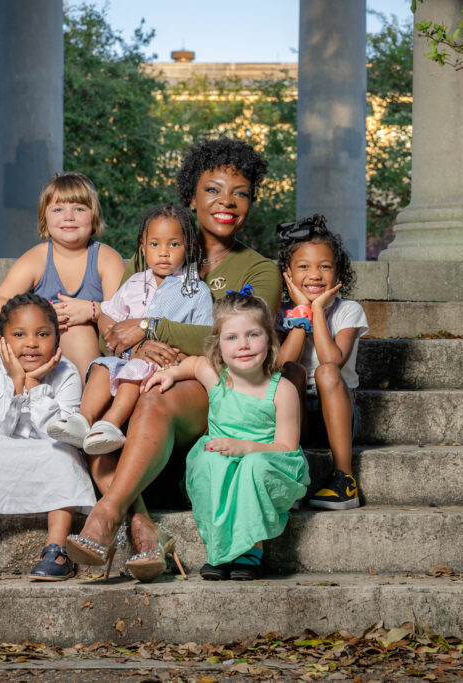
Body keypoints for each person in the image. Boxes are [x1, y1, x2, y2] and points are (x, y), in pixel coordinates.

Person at [66, 138, 283, 582]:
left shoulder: (259, 270)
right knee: (94, 424)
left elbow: (239, 341)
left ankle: (106, 515)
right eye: (213, 190)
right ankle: (145, 530)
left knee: (154, 395)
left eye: (240, 193)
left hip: (213, 392)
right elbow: (115, 331)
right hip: (141, 382)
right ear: (192, 196)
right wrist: (136, 344)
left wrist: (151, 330)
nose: (227, 202)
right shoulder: (149, 256)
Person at [142, 290, 308, 580]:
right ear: (218, 345)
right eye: (231, 338)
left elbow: (286, 447)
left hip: (268, 461)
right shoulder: (215, 376)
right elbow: (193, 364)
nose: (243, 345)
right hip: (222, 455)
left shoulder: (282, 390)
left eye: (253, 335)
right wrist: (171, 373)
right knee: (209, 462)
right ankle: (220, 551)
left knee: (252, 468)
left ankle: (250, 550)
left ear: (269, 337)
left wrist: (245, 447)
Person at [0, 293, 96, 581]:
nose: (31, 343)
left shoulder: (66, 373)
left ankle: (58, 548)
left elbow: (64, 431)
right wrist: (17, 384)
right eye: (19, 334)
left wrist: (35, 385)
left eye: (42, 334)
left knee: (62, 450)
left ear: (57, 339)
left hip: (48, 454)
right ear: (1, 340)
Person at [46, 203, 212, 455]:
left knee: (134, 372)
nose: (164, 253)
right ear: (143, 248)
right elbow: (110, 320)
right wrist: (119, 343)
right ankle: (82, 419)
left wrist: (179, 358)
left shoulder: (197, 291)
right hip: (125, 356)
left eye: (174, 244)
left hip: (165, 364)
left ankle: (110, 423)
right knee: (103, 366)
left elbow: (204, 335)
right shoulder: (135, 282)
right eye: (155, 244)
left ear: (188, 246)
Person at [0, 172, 126, 379]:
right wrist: (39, 314)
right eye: (58, 209)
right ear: (45, 218)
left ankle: (86, 406)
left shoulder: (107, 259)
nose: (69, 217)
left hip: (96, 345)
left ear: (94, 215)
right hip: (40, 345)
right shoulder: (36, 259)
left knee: (78, 329)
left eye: (79, 209)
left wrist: (94, 310)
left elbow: (123, 314)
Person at [276, 214, 368, 510]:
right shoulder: (282, 312)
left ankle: (344, 478)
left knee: (327, 371)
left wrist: (316, 310)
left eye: (324, 267)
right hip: (295, 410)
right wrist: (301, 312)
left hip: (340, 410)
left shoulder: (348, 311)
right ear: (287, 274)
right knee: (292, 370)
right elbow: (280, 365)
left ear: (338, 273)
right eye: (303, 267)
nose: (314, 275)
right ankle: (287, 474)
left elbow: (333, 360)